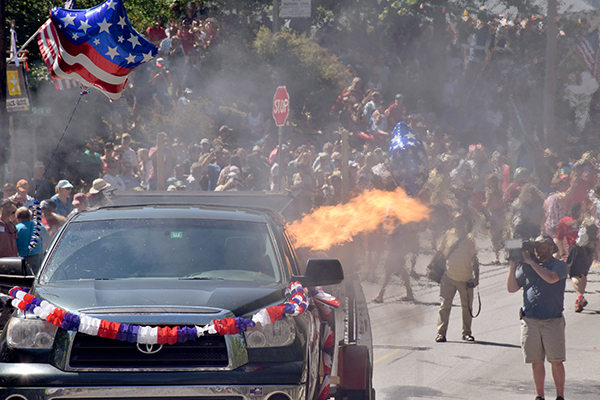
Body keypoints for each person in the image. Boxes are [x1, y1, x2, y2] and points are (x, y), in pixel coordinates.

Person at [507, 234, 567, 400]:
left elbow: (551, 278)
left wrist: (532, 262)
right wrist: (513, 266)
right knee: (536, 361)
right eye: (537, 247)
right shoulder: (526, 267)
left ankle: (559, 396)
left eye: (543, 246)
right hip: (530, 320)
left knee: (556, 360)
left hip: (552, 320)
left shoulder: (558, 266)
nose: (539, 250)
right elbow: (512, 288)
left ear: (551, 248)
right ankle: (539, 396)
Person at [435, 212, 479, 343]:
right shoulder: (447, 234)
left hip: (465, 279)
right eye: (456, 221)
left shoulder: (469, 238)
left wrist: (476, 278)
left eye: (460, 221)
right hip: (448, 277)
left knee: (467, 308)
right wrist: (430, 265)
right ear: (453, 222)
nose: (458, 223)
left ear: (464, 223)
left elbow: (474, 259)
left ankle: (466, 333)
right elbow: (439, 250)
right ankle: (441, 334)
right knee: (444, 306)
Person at [15, 207, 50, 274]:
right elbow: (47, 239)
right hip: (40, 257)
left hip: (25, 259)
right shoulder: (39, 226)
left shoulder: (17, 228)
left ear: (17, 217)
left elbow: (14, 246)